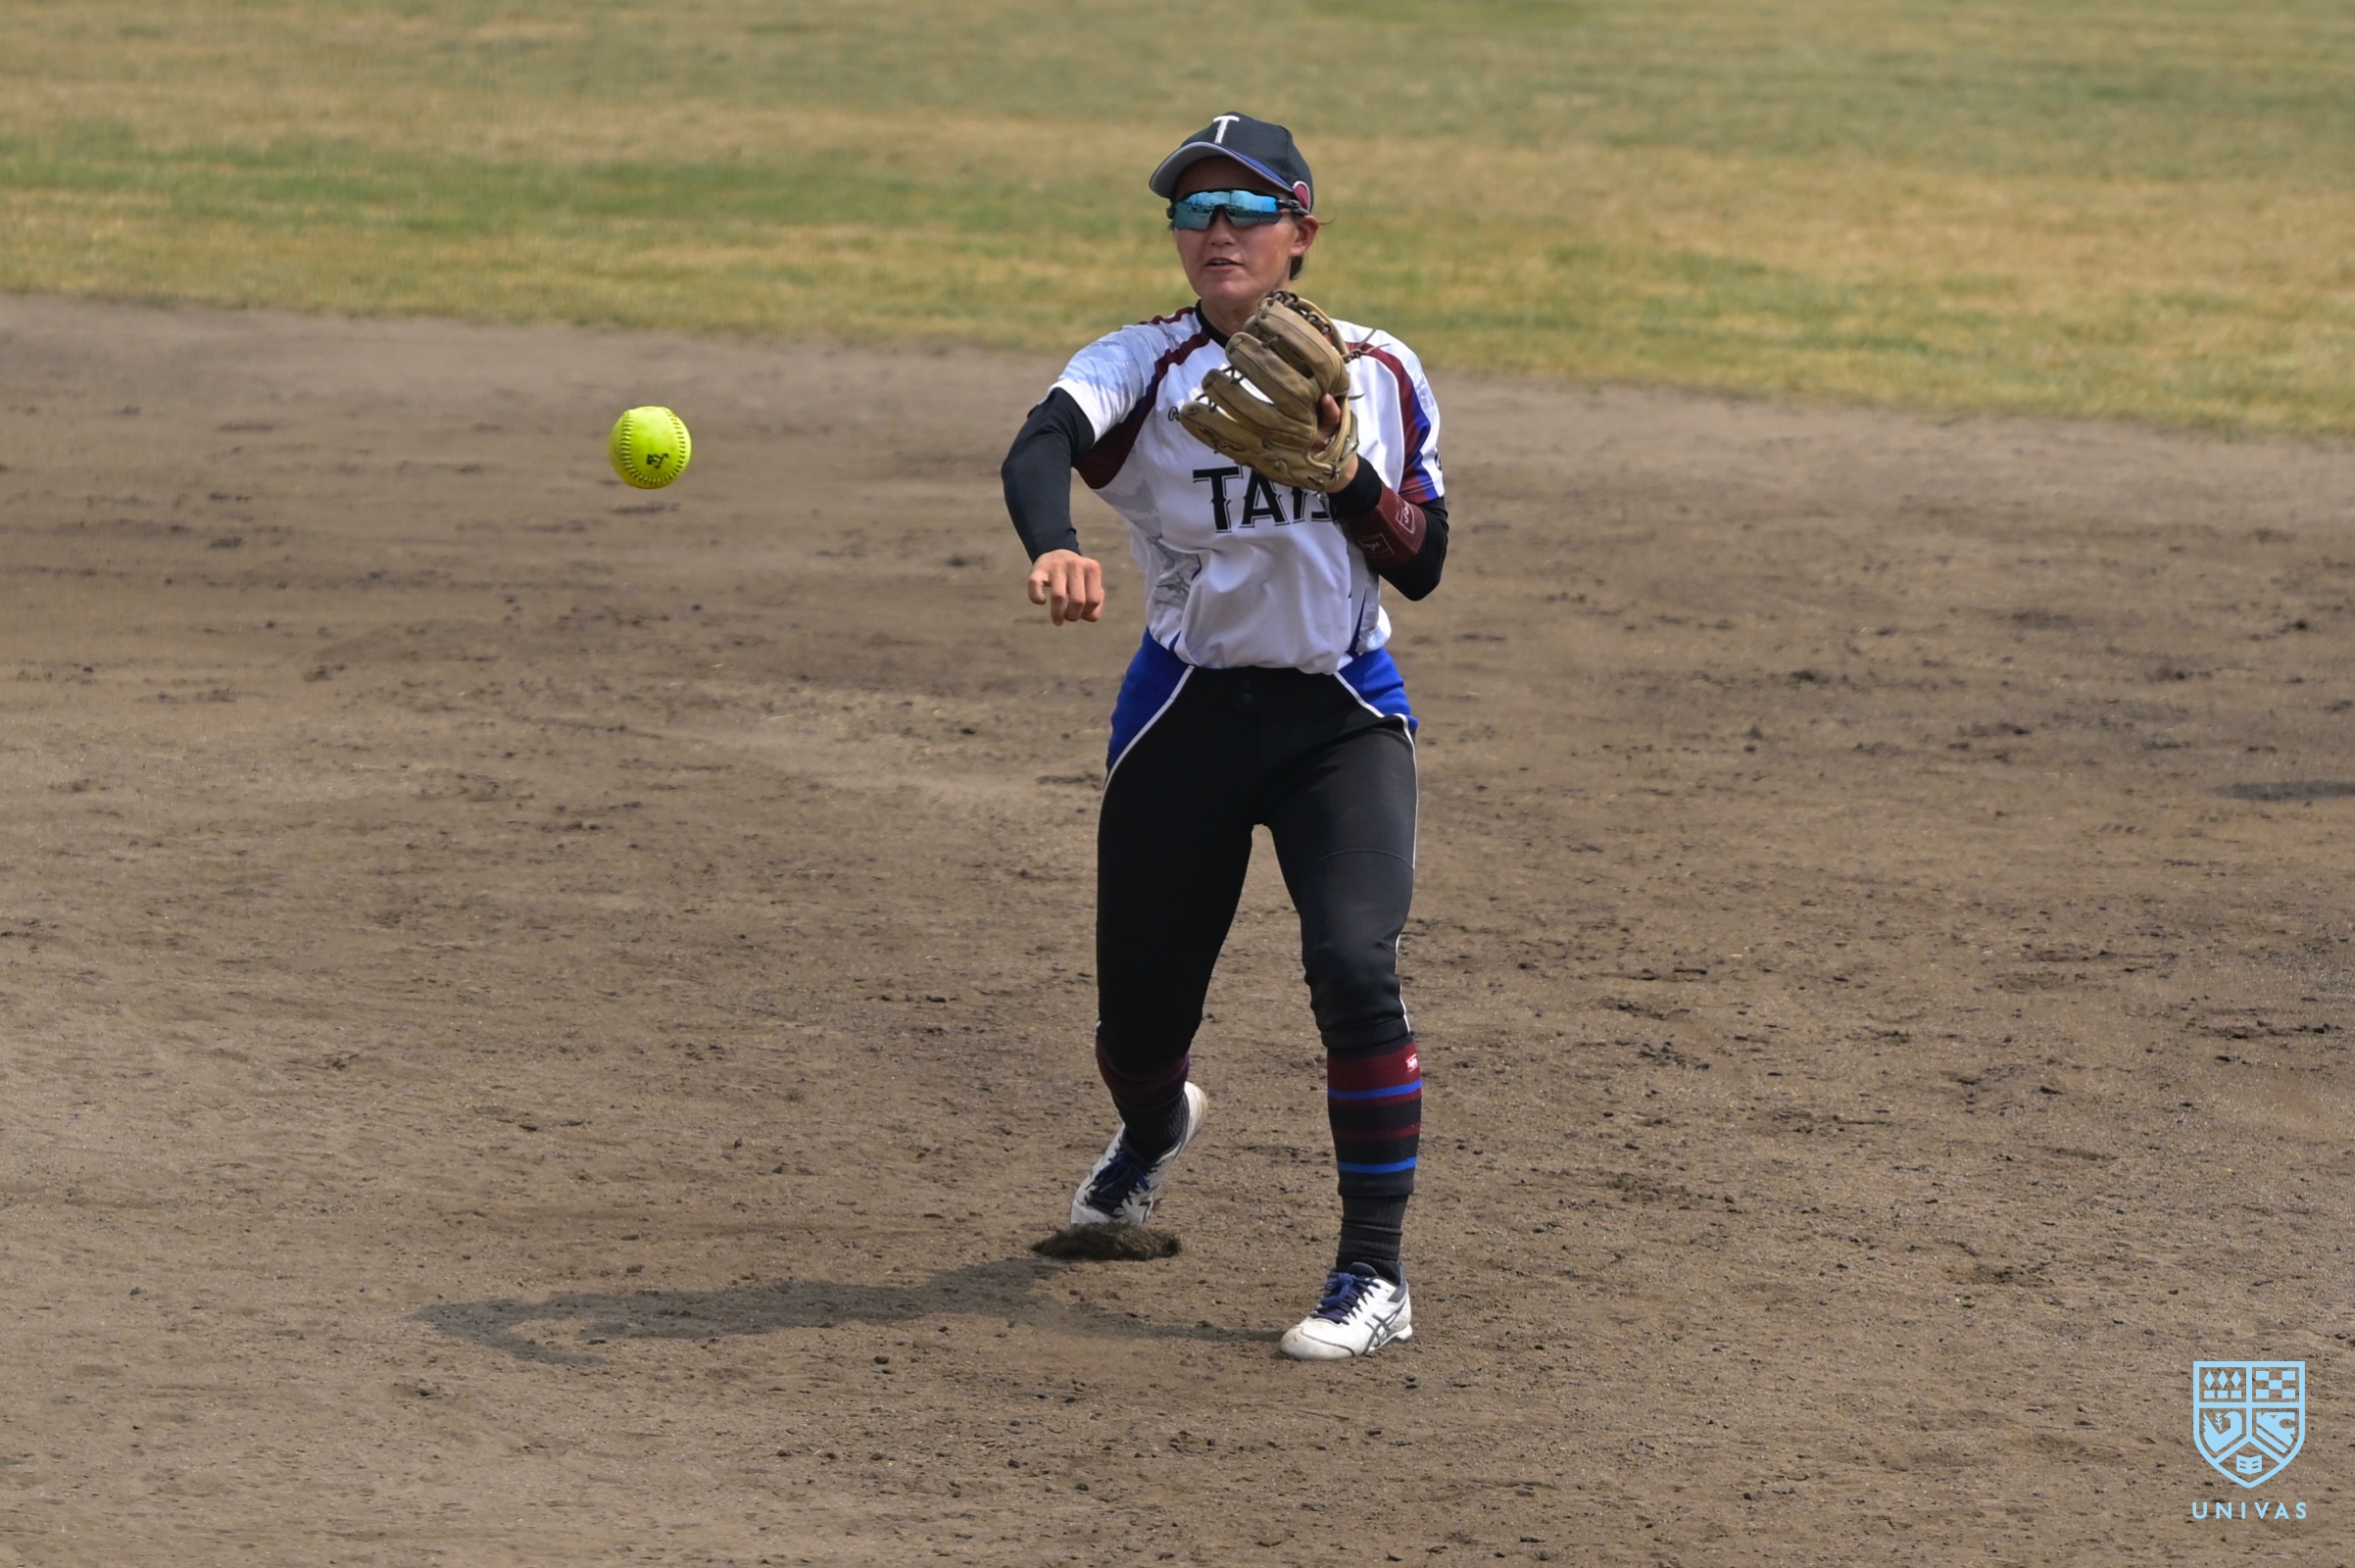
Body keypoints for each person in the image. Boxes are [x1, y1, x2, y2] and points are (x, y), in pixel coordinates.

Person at [999, 113, 1447, 1359]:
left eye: (1247, 209)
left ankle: (1374, 1274)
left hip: (1340, 716)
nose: (1218, 231)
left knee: (1354, 968)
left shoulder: (1379, 371)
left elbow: (1424, 565)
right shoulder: (1141, 363)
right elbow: (1040, 444)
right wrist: (1054, 542)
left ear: (1302, 233)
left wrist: (1348, 477)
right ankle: (1154, 1130)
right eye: (1194, 211)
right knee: (1138, 1032)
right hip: (1185, 711)